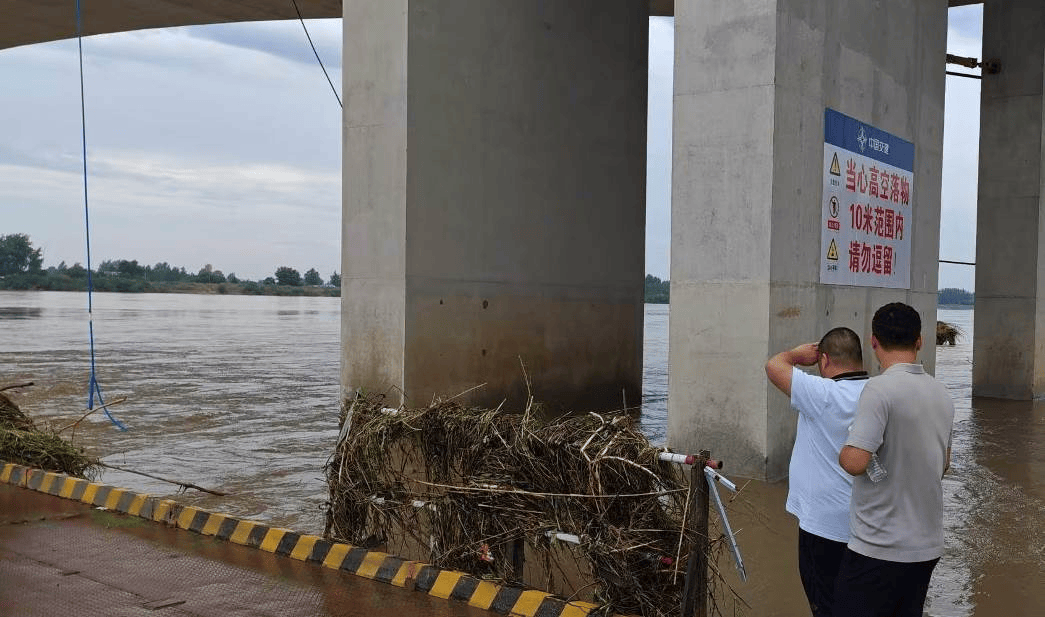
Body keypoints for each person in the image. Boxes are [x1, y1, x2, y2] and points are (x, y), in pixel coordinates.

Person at [836, 302, 955, 616]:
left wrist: (846, 447)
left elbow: (855, 462)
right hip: (927, 548)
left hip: (880, 548)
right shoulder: (942, 393)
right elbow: (943, 464)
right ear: (920, 341)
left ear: (873, 341)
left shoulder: (878, 389)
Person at [765, 327, 867, 617]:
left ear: (823, 361)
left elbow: (774, 366)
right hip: (868, 525)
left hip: (823, 527)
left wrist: (795, 355)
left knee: (825, 605)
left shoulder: (821, 393)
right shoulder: (877, 394)